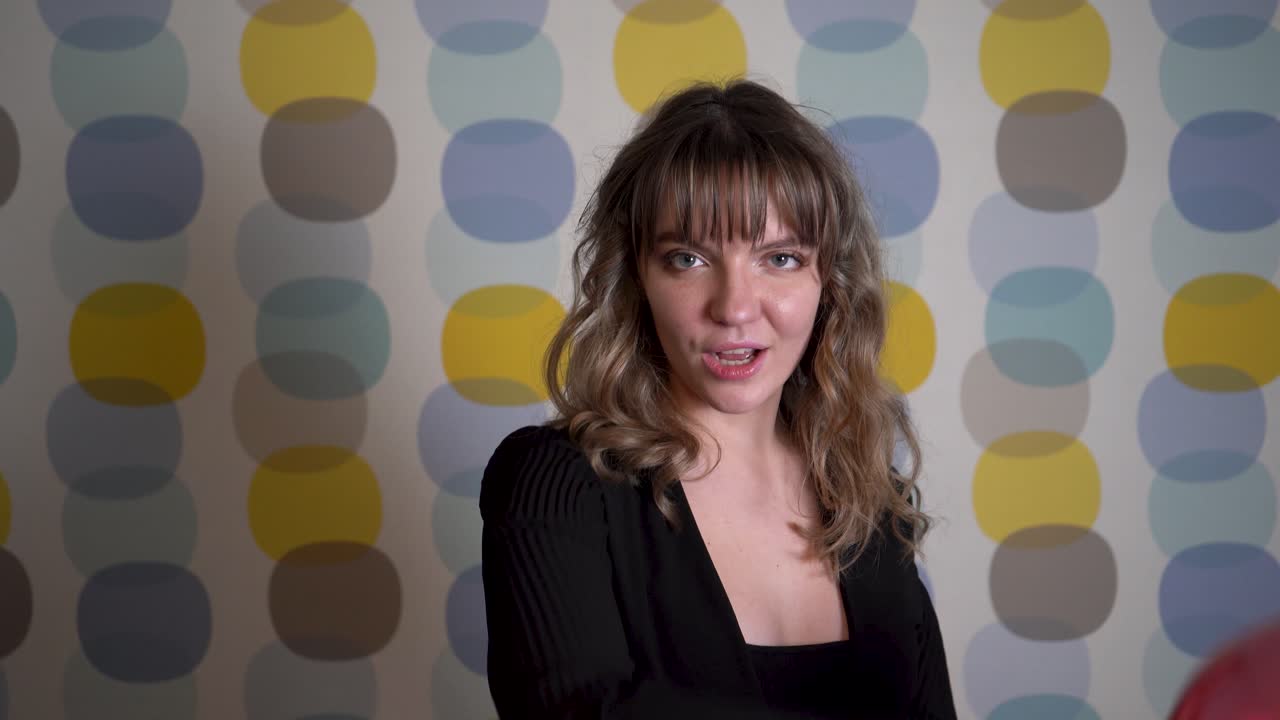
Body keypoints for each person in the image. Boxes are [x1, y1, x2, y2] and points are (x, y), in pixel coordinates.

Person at [479, 78, 956, 719]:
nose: (734, 308)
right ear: (637, 278)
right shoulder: (555, 483)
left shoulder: (868, 497)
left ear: (830, 281)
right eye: (688, 258)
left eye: (780, 258)